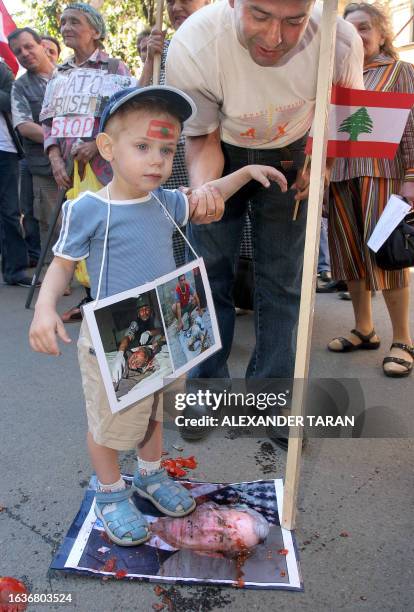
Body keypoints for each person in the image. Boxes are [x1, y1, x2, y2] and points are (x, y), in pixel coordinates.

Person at [29, 84, 287, 546]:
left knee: (153, 412)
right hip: (116, 340)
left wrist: (245, 171)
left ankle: (149, 474)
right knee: (109, 426)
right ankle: (109, 491)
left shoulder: (165, 202)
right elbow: (61, 266)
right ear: (108, 147)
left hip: (165, 332)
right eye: (143, 146)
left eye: (167, 150)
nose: (156, 160)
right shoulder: (88, 207)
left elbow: (210, 192)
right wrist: (45, 308)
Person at [165, 0, 364, 385]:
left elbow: (345, 118)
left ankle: (271, 392)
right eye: (259, 15)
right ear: (233, 2)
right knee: (207, 273)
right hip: (221, 147)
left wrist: (320, 168)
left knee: (282, 279)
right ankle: (206, 384)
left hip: (293, 153)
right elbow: (202, 134)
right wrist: (208, 192)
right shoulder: (194, 43)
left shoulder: (338, 39)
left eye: (294, 21)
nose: (275, 38)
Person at [327, 2, 414, 378]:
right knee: (350, 255)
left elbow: (412, 128)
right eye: (349, 30)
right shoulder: (335, 78)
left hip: (384, 174)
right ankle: (365, 329)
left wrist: (412, 177)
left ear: (381, 33)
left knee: (387, 256)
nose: (356, 37)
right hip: (341, 176)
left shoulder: (401, 72)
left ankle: (404, 340)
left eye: (364, 28)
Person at [42, 2, 131, 322]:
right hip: (70, 169)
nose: (66, 27)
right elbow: (49, 122)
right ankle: (92, 296)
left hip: (105, 167)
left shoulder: (114, 69)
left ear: (95, 30)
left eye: (74, 22)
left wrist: (96, 143)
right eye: (63, 22)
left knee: (110, 229)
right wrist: (54, 157)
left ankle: (113, 297)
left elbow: (126, 116)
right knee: (81, 228)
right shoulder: (60, 73)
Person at [138, 0, 211, 266]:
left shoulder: (221, 43)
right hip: (172, 158)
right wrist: (149, 62)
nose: (176, 6)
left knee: (210, 234)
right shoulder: (162, 52)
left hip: (211, 155)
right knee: (174, 233)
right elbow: (137, 104)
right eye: (170, 1)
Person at [9, 28, 58, 264]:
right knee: (52, 224)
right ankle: (59, 280)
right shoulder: (20, 87)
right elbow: (24, 126)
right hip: (45, 169)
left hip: (83, 165)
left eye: (29, 46)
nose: (24, 53)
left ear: (42, 45)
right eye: (18, 51)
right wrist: (60, 140)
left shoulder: (71, 75)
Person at [0, 59, 35, 288]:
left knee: (10, 211)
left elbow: (9, 100)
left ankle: (15, 269)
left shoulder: (1, 68)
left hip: (4, 150)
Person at [111, 295, 165, 385]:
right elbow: (126, 338)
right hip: (137, 351)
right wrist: (120, 355)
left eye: (146, 309)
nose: (144, 312)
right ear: (138, 313)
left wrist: (149, 332)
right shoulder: (135, 324)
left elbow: (160, 330)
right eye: (141, 310)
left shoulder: (154, 318)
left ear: (150, 310)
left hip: (150, 349)